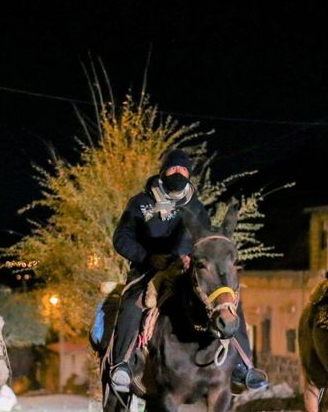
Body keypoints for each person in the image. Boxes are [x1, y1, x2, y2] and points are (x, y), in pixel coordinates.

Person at [107, 149, 268, 394]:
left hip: (184, 271)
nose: (179, 174)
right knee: (132, 300)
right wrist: (148, 257)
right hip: (148, 269)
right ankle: (122, 364)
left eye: (183, 171)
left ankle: (243, 366)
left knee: (229, 300)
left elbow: (202, 239)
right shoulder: (140, 203)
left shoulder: (195, 206)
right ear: (163, 172)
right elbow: (121, 238)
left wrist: (190, 258)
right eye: (174, 169)